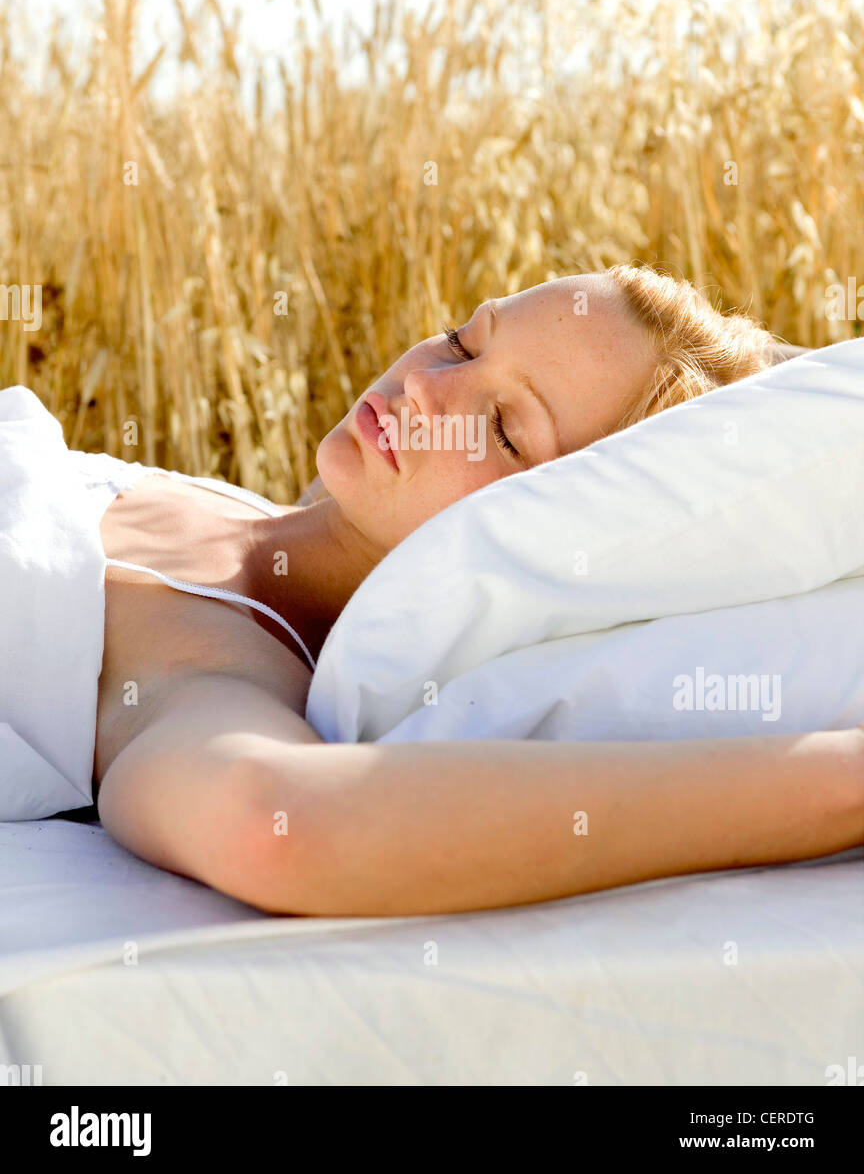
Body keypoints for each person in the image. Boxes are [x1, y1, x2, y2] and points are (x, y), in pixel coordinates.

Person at [51, 264, 864, 914]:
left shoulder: (212, 667)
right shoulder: (223, 508)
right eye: (464, 342)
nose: (427, 389)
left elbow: (283, 825)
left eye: (507, 430)